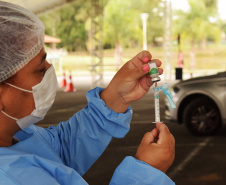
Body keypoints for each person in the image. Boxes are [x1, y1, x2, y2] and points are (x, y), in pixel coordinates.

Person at [0, 1, 175, 185]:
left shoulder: (17, 136)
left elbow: (61, 149)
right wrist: (146, 174)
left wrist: (115, 98)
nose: (50, 70)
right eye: (40, 70)